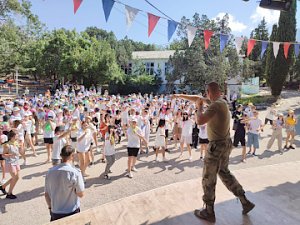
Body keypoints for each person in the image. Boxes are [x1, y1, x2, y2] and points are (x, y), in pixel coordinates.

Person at [174, 82, 254, 223]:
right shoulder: (220, 102)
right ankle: (244, 201)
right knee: (224, 173)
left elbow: (200, 120)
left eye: (206, 94)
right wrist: (181, 96)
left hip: (216, 147)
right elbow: (197, 98)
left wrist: (198, 108)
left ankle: (209, 211)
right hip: (225, 144)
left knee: (208, 178)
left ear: (208, 92)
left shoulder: (215, 105)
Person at [45, 145, 84, 222]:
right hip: (72, 211)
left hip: (55, 212)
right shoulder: (75, 172)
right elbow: (81, 194)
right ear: (72, 156)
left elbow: (46, 194)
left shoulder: (50, 172)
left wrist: (50, 208)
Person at [0, 131, 21, 199]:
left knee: (16, 177)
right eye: (16, 135)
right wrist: (11, 155)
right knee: (15, 177)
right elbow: (3, 154)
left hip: (16, 162)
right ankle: (9, 193)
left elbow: (19, 151)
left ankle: (3, 187)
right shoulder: (7, 145)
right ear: (12, 137)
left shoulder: (16, 143)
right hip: (10, 163)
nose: (17, 137)